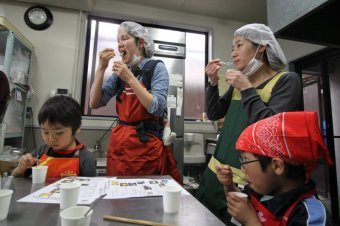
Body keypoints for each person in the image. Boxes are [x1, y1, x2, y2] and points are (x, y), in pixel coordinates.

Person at [196, 23, 303, 222]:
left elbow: (270, 129)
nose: (234, 53)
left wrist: (246, 88)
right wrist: (212, 82)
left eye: (239, 45)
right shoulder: (239, 83)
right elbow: (213, 113)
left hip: (247, 186)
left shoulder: (287, 81)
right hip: (214, 176)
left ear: (261, 47)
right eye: (232, 49)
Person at [89, 21, 181, 182]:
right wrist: (101, 69)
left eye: (124, 39)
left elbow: (157, 107)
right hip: (119, 144)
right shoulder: (120, 73)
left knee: (143, 200)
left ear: (141, 42)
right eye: (118, 40)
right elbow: (94, 103)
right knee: (117, 196)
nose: (119, 45)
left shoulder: (156, 68)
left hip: (145, 146)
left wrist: (130, 78)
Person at [216, 112, 334, 226]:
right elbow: (239, 205)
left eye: (246, 160)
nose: (243, 169)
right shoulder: (261, 190)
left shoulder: (311, 216)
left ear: (277, 166)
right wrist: (229, 185)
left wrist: (251, 222)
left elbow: (249, 218)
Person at [11, 95, 97, 178]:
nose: (51, 139)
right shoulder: (41, 151)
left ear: (77, 128)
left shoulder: (86, 159)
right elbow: (14, 177)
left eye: (59, 133)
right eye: (45, 132)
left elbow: (91, 189)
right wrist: (21, 168)